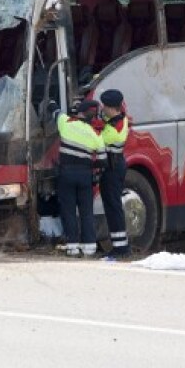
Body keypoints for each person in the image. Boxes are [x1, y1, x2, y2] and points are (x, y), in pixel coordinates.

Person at [56, 98, 105, 257]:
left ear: (79, 112)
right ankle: (89, 247)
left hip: (67, 174)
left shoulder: (66, 123)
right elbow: (102, 160)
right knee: (86, 211)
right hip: (85, 175)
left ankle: (72, 247)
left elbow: (56, 113)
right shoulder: (95, 134)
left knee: (69, 210)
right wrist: (90, 168)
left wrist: (52, 104)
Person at [97, 89, 131, 259]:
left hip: (112, 168)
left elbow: (98, 139)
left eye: (104, 106)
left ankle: (121, 248)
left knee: (113, 207)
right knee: (112, 206)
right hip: (115, 166)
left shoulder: (114, 131)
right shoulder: (120, 119)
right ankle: (120, 246)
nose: (102, 109)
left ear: (112, 108)